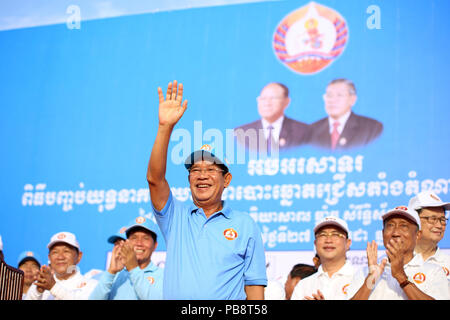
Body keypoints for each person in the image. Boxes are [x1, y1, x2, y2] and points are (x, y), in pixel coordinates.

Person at [147, 80, 267, 299]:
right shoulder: (176, 217)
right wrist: (165, 128)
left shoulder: (244, 225)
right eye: (195, 170)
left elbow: (254, 289)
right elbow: (155, 180)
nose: (202, 175)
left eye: (211, 169)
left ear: (226, 179)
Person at [351, 206, 449, 300]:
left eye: (403, 226)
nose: (396, 233)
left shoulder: (433, 272)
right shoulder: (365, 272)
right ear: (382, 233)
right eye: (390, 226)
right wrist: (370, 280)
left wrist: (401, 276)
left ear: (418, 235)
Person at [89, 217, 163, 300]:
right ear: (127, 242)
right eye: (134, 238)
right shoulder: (113, 276)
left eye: (145, 238)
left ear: (155, 245)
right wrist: (111, 272)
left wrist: (133, 268)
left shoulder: (164, 276)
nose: (139, 243)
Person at [291, 216, 362, 300]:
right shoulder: (304, 285)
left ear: (348, 243)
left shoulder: (361, 279)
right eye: (322, 234)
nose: (328, 240)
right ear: (315, 243)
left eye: (335, 234)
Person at [307, 79, 383, 151]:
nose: (332, 100)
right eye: (329, 95)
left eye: (339, 95)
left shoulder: (372, 128)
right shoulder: (313, 130)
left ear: (352, 99)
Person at [234, 82, 309, 153]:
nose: (267, 103)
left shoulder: (303, 131)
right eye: (263, 98)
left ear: (286, 101)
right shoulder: (241, 134)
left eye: (273, 98)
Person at [25, 231, 98, 300]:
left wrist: (53, 287)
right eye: (55, 252)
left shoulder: (92, 286)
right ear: (49, 257)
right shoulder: (38, 285)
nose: (60, 257)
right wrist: (37, 292)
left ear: (79, 256)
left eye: (66, 251)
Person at [409, 192, 450, 282]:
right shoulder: (395, 262)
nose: (439, 225)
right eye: (432, 219)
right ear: (414, 220)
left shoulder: (448, 263)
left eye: (442, 220)